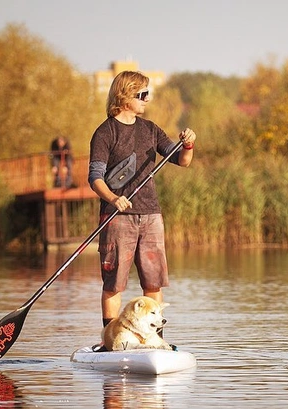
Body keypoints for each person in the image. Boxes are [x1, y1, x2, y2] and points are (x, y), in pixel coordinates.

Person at [88, 71, 196, 338]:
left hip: (151, 216)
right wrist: (113, 199)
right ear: (125, 96)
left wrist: (189, 145)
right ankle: (110, 341)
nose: (147, 99)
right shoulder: (105, 133)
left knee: (153, 282)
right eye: (142, 94)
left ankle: (155, 341)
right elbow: (95, 179)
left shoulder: (150, 129)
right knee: (114, 284)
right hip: (118, 217)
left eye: (148, 94)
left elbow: (181, 161)